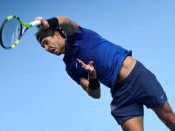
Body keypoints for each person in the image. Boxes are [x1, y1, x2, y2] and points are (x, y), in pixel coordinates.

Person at [35, 16, 175, 131]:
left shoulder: (78, 36)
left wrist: (48, 23)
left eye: (47, 42)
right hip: (120, 92)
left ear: (57, 35)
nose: (47, 48)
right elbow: (94, 94)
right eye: (43, 47)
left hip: (136, 76)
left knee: (170, 120)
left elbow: (66, 21)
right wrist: (93, 76)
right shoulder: (70, 67)